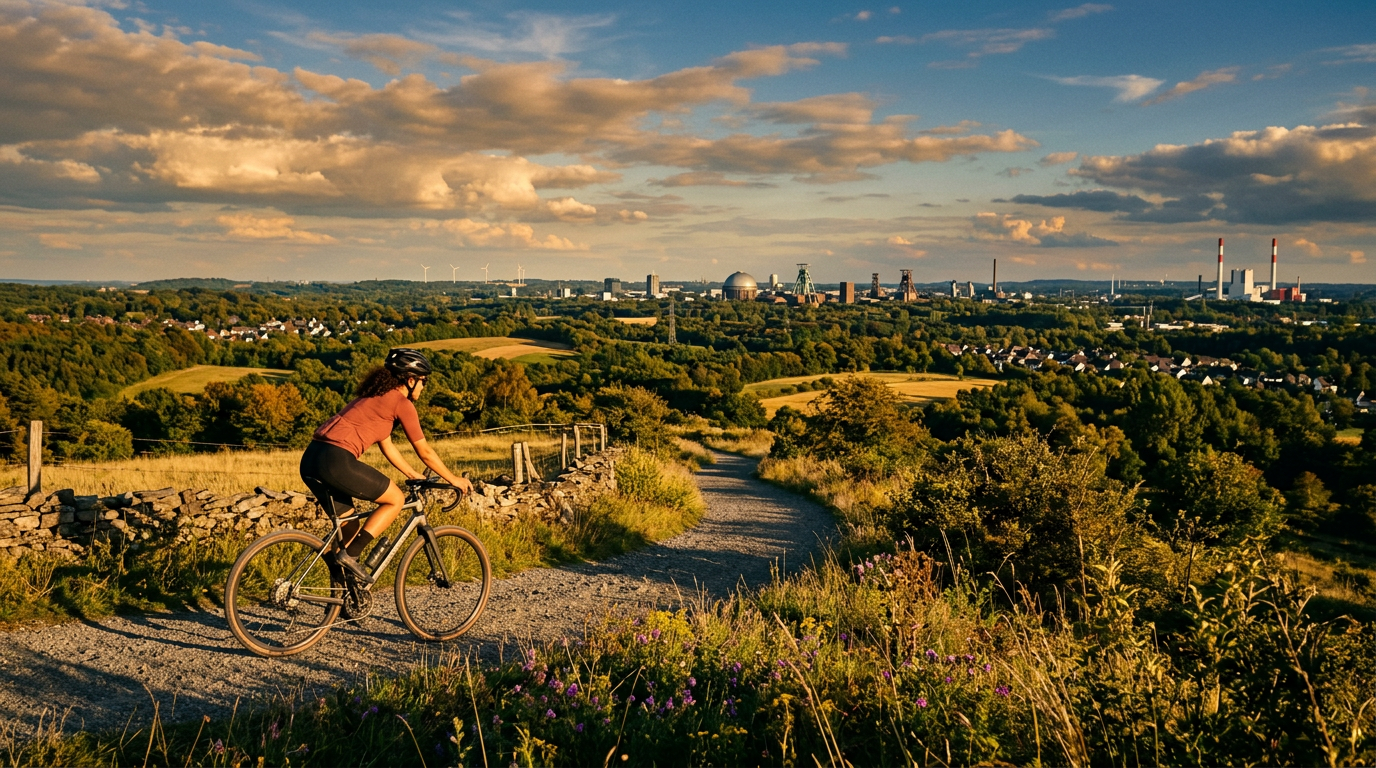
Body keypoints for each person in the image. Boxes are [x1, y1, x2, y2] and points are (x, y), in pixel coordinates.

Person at [299, 348, 472, 581]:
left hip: (312, 459)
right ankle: (350, 558)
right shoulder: (401, 403)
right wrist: (454, 480)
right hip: (335, 460)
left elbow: (387, 445)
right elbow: (425, 451)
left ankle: (342, 593)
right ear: (411, 380)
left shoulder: (371, 398)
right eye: (424, 382)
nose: (423, 387)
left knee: (349, 528)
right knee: (395, 499)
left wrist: (412, 473)